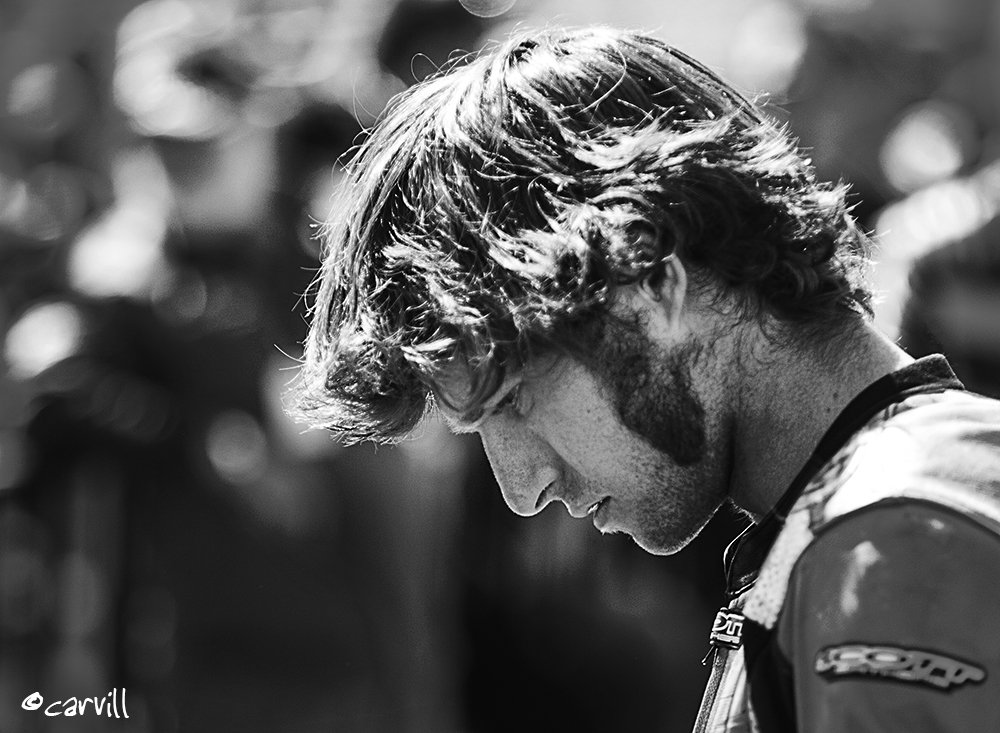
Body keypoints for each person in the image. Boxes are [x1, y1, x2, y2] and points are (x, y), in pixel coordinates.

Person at [287, 26, 1000, 732]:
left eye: (514, 400)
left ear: (654, 283)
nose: (521, 488)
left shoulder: (895, 547)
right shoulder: (855, 529)